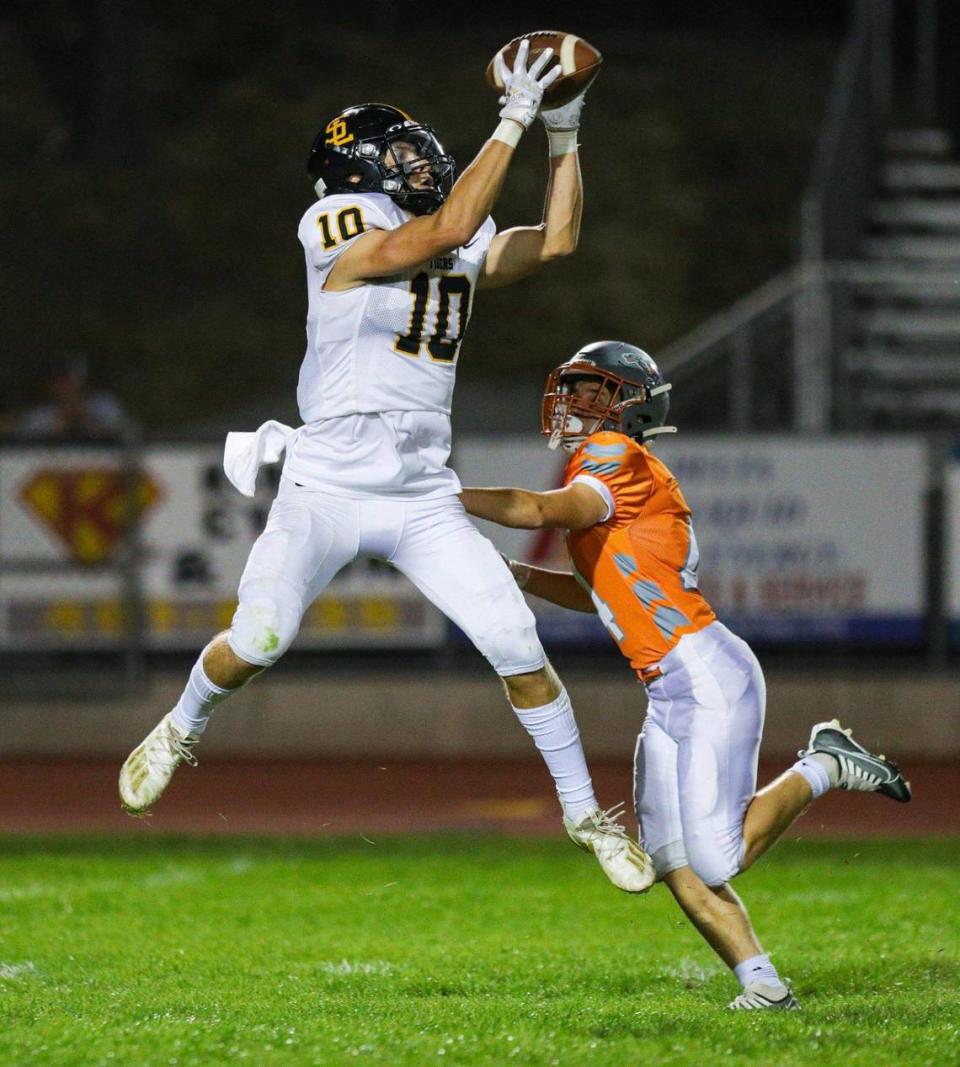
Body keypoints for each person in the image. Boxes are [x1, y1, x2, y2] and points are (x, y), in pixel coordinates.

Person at [118, 44, 654, 893]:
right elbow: (438, 235)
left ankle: (586, 815)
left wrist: (562, 127)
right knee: (258, 639)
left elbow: (554, 243)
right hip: (326, 485)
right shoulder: (332, 220)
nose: (422, 160)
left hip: (419, 490)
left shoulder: (453, 222)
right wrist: (511, 116)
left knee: (517, 642)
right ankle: (181, 725)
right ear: (356, 168)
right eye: (400, 154)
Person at [459, 339, 912, 1010]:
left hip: (702, 674)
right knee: (672, 858)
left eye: (596, 392)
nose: (577, 404)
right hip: (674, 688)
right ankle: (763, 984)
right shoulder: (622, 476)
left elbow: (538, 510)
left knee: (718, 857)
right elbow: (600, 594)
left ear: (631, 406)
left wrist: (442, 497)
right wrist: (521, 574)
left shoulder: (614, 457)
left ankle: (823, 761)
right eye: (575, 389)